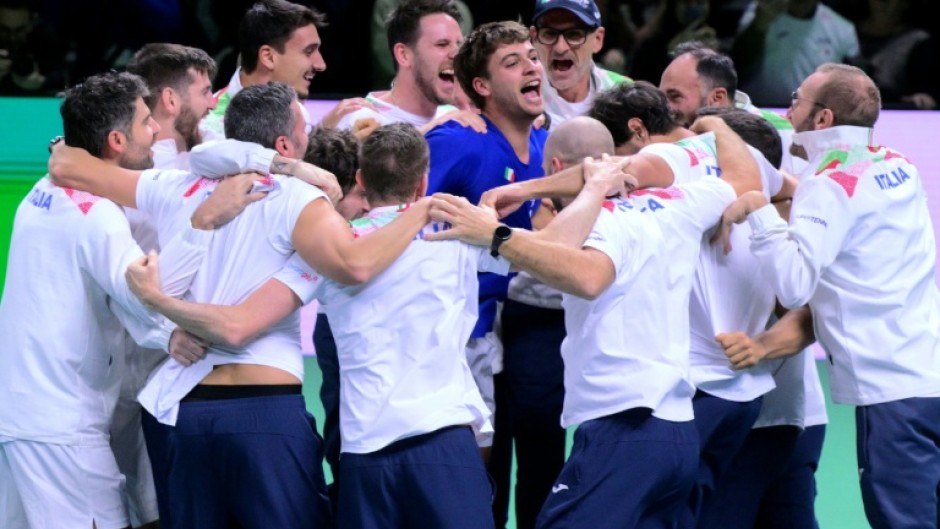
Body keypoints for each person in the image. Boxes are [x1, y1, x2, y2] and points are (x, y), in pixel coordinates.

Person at [120, 122, 545, 529]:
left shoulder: (324, 252)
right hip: (443, 439)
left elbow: (236, 324)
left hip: (364, 453)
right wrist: (548, 191)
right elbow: (561, 253)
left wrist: (158, 303)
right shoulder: (458, 238)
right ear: (422, 182)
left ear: (360, 178)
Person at [47, 81, 434, 529]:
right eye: (305, 130)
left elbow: (67, 164)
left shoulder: (175, 185)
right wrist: (421, 211)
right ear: (286, 143)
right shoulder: (299, 199)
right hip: (263, 413)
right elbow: (354, 265)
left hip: (183, 416)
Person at [427, 111, 762, 528]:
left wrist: (494, 234)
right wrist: (719, 125)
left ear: (557, 169)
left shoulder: (600, 223)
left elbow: (586, 275)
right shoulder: (680, 203)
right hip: (678, 433)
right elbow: (746, 182)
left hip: (624, 430)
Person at [0, 71, 260, 529]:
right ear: (117, 140)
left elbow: (115, 295)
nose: (156, 130)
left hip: (24, 415)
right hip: (63, 427)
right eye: (145, 124)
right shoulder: (97, 215)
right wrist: (204, 221)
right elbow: (145, 294)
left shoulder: (39, 193)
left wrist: (162, 336)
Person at [721, 63, 940, 529]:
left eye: (797, 98)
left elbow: (794, 285)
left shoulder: (825, 183)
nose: (789, 107)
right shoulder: (898, 163)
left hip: (893, 390)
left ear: (821, 119)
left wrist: (760, 214)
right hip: (928, 366)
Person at [659, 42, 807, 174]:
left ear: (717, 98)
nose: (664, 107)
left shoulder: (786, 134)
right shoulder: (662, 134)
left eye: (674, 96)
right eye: (661, 97)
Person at [336, 0, 482, 135]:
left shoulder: (457, 117)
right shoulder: (361, 119)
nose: (456, 55)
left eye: (459, 44)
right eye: (442, 44)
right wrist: (433, 129)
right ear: (404, 55)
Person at [200, 0, 326, 140]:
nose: (321, 65)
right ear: (268, 57)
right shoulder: (212, 130)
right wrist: (321, 138)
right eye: (308, 51)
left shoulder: (292, 105)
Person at [733, 0, 860, 107]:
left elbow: (852, 85)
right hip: (762, 109)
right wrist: (760, 24)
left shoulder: (842, 28)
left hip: (815, 116)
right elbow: (740, 62)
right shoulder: (761, 12)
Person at [529, 0, 631, 128]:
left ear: (597, 40)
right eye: (549, 34)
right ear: (534, 39)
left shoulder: (624, 93)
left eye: (574, 34)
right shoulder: (517, 97)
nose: (560, 48)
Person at [127, 43, 218, 170]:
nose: (213, 104)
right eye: (204, 93)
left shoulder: (210, 136)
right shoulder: (155, 177)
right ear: (170, 101)